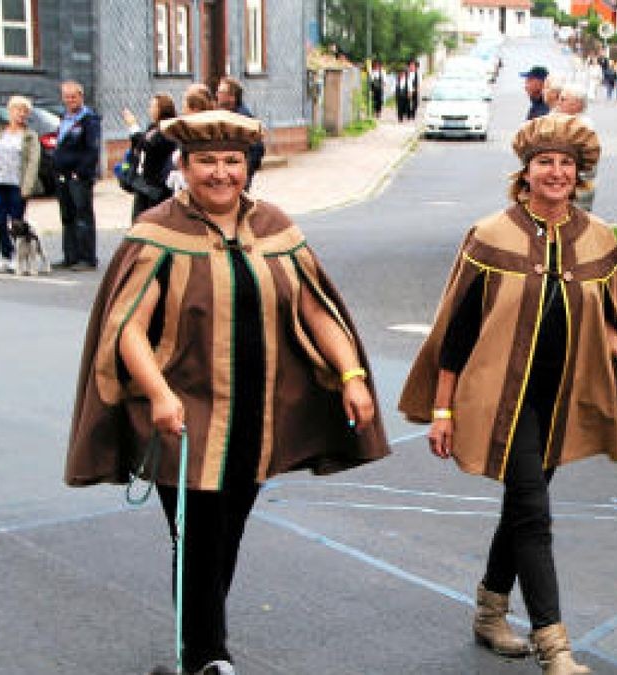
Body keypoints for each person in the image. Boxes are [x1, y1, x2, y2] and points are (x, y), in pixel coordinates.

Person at [65, 110, 391, 674]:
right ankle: (208, 658)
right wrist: (160, 395)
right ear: (183, 167)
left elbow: (316, 308)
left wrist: (352, 376)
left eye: (232, 162)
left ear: (248, 167)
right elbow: (127, 332)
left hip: (256, 416)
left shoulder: (274, 227)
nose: (221, 174)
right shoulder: (158, 233)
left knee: (225, 534)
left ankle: (202, 647)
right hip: (184, 419)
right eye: (207, 162)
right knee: (195, 536)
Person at [399, 113, 617, 675]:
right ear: (525, 172)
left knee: (522, 510)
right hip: (501, 403)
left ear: (579, 174)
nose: (557, 172)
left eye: (567, 163)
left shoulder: (599, 239)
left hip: (558, 404)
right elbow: (457, 335)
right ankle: (555, 648)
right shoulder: (490, 235)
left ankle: (489, 614)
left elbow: (609, 324)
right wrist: (442, 409)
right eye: (546, 162)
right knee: (534, 517)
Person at [0, 95, 42, 273]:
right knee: (0, 221)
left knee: (16, 223)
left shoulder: (30, 136)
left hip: (17, 185)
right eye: (17, 110)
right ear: (9, 111)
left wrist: (27, 187)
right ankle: (5, 255)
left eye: (24, 111)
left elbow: (32, 163)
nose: (20, 114)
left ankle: (18, 257)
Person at [53, 80, 102, 271]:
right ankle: (70, 256)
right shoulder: (64, 118)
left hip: (78, 176)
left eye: (73, 96)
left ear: (81, 96)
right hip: (62, 175)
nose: (70, 100)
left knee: (83, 216)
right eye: (66, 97)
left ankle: (87, 258)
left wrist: (80, 171)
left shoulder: (89, 119)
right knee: (67, 216)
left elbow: (92, 149)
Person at [122, 93, 178, 220]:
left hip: (157, 187)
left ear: (162, 109)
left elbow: (149, 146)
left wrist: (133, 126)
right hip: (143, 184)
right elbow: (140, 146)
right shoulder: (152, 127)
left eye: (153, 107)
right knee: (138, 220)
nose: (150, 110)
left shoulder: (168, 130)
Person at [216, 76, 266, 188]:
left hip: (238, 176)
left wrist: (245, 171)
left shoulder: (243, 120)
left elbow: (258, 148)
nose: (217, 95)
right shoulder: (227, 114)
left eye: (221, 92)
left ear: (232, 97)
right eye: (218, 91)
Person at [556, 86, 596, 212]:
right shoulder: (571, 123)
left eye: (563, 99)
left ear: (577, 104)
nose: (559, 102)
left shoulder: (580, 127)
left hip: (575, 189)